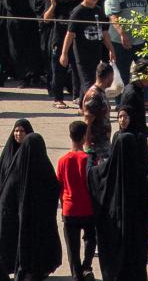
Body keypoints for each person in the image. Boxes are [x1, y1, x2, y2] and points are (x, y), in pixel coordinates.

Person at [89, 107, 148, 281]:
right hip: (136, 237)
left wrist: (88, 158)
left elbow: (93, 177)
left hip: (114, 235)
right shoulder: (139, 175)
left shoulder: (108, 172)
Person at [0, 131, 62, 281]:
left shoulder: (15, 172)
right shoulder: (46, 170)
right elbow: (54, 190)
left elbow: (6, 199)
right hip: (41, 225)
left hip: (23, 224)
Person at [56, 119, 96, 281]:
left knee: (72, 247)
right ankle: (87, 266)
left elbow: (59, 185)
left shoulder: (63, 160)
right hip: (88, 207)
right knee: (91, 238)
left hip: (69, 208)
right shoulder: (88, 159)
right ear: (84, 137)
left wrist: (62, 203)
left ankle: (76, 275)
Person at [103, 0, 148, 87]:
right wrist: (123, 34)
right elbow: (113, 16)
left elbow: (145, 13)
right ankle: (121, 103)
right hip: (121, 41)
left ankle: (147, 102)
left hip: (140, 40)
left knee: (145, 71)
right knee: (122, 74)